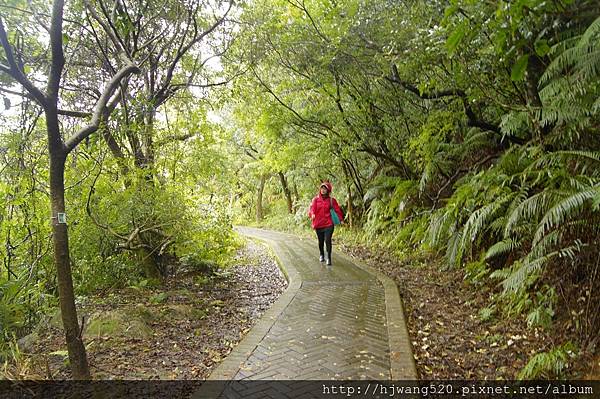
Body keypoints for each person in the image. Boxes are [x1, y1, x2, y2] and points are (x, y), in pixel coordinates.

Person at [308, 181, 344, 266]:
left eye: (325, 189)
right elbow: (312, 209)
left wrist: (341, 219)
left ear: (328, 190)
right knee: (320, 241)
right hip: (318, 224)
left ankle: (329, 258)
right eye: (322, 188)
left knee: (327, 240)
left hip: (328, 224)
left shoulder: (332, 200)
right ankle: (321, 254)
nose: (323, 190)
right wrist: (312, 214)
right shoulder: (315, 200)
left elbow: (337, 210)